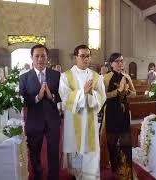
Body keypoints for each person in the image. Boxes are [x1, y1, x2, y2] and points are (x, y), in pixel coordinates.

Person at [59, 45, 106, 180]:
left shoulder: (96, 77)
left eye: (88, 56)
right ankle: (77, 175)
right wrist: (82, 93)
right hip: (73, 120)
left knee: (91, 152)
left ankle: (90, 177)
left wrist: (91, 95)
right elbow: (65, 97)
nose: (86, 59)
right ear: (75, 58)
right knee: (75, 152)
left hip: (90, 119)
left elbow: (102, 97)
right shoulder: (65, 76)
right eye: (82, 56)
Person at [19, 44, 61, 180]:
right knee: (35, 153)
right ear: (32, 58)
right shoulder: (24, 77)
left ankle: (53, 177)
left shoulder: (57, 75)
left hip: (53, 119)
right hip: (34, 120)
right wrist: (37, 97)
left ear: (47, 58)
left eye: (43, 56)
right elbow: (22, 99)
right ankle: (37, 176)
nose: (40, 59)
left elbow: (63, 96)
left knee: (54, 152)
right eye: (37, 56)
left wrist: (51, 96)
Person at [100, 53, 136, 179]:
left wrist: (126, 91)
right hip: (111, 113)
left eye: (121, 60)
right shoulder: (106, 77)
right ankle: (115, 169)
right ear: (111, 64)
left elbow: (134, 94)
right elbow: (103, 96)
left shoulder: (126, 76)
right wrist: (118, 91)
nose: (120, 63)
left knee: (125, 142)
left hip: (124, 112)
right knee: (113, 142)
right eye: (117, 61)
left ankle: (126, 170)